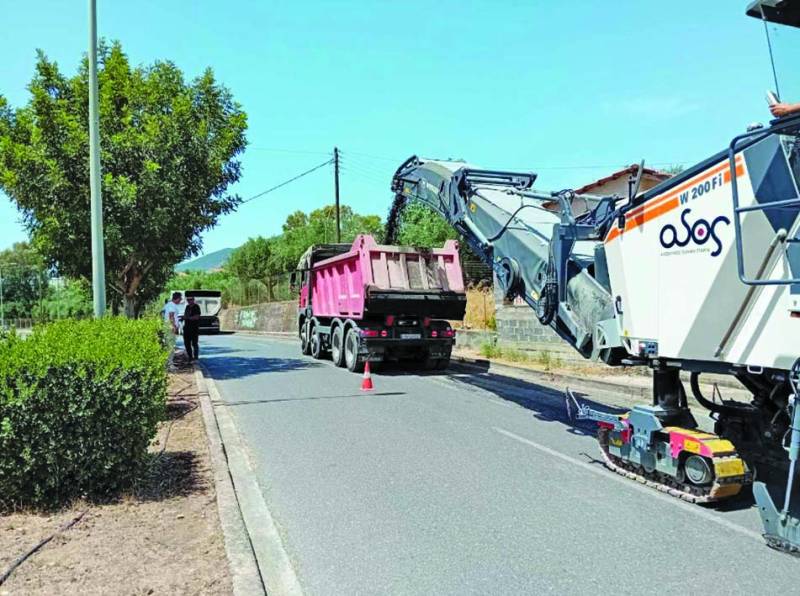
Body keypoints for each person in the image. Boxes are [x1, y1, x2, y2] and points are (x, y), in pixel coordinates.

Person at [182, 295, 202, 361]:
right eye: (188, 300)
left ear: (193, 300)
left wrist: (189, 318)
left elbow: (197, 317)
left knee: (194, 343)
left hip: (194, 328)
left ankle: (196, 356)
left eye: (190, 300)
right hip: (186, 328)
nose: (189, 301)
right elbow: (185, 315)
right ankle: (190, 356)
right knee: (186, 343)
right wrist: (184, 317)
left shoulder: (196, 307)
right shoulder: (187, 307)